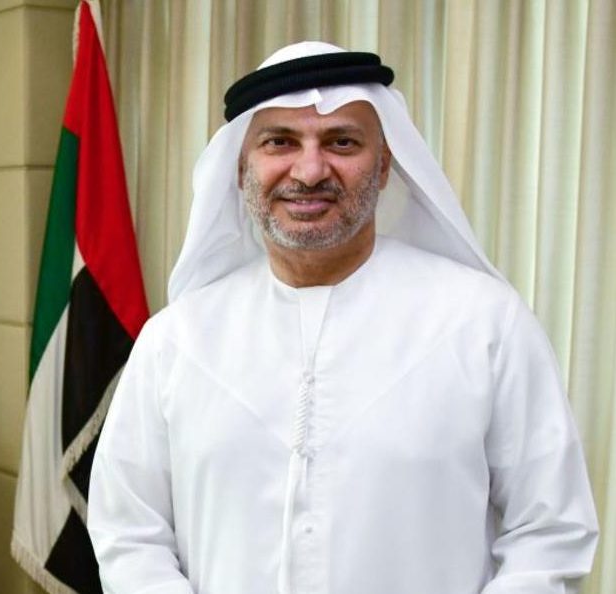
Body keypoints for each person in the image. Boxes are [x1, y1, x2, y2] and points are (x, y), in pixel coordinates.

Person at [88, 42, 598, 594]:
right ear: (240, 167)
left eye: (342, 142)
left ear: (383, 167)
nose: (309, 171)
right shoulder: (176, 341)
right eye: (279, 141)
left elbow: (549, 531)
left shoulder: (485, 324)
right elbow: (129, 532)